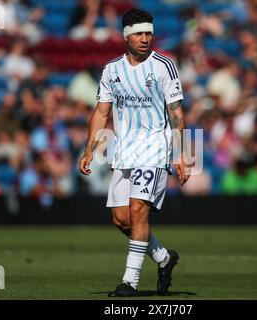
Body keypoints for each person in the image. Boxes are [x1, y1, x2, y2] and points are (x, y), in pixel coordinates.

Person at [79, 8, 190, 297]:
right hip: (124, 152)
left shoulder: (164, 66)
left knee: (139, 211)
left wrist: (181, 154)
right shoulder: (112, 70)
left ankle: (129, 281)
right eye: (139, 33)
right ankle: (164, 258)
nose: (145, 39)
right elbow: (101, 112)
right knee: (121, 219)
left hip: (154, 149)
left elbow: (176, 112)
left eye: (149, 33)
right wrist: (89, 149)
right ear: (126, 35)